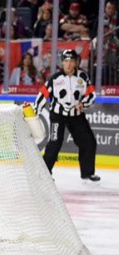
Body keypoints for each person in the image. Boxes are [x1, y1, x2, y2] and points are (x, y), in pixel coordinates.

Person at [34, 49, 99, 182]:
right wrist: (36, 111)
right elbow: (42, 95)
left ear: (76, 62)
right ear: (62, 62)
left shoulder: (83, 77)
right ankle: (45, 174)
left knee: (88, 142)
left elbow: (92, 94)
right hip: (58, 115)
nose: (68, 64)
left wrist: (83, 104)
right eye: (66, 61)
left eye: (71, 61)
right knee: (54, 143)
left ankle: (87, 173)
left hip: (76, 115)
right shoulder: (55, 78)